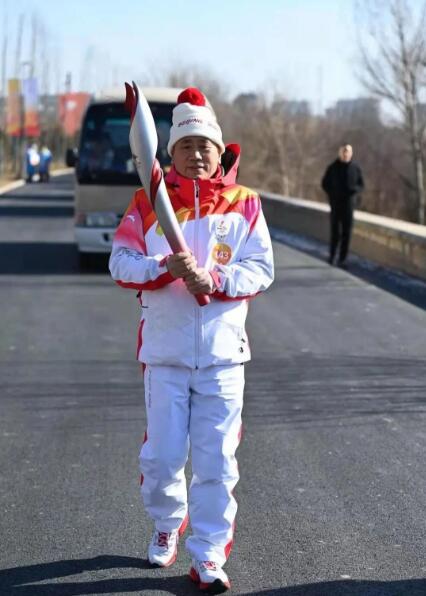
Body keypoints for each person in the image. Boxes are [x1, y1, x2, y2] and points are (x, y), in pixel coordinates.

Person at [109, 87, 274, 593]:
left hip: (224, 357)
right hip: (165, 354)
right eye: (186, 146)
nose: (197, 154)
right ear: (171, 153)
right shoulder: (147, 202)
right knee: (162, 457)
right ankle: (166, 524)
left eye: (206, 145)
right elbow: (120, 262)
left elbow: (261, 268)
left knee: (217, 460)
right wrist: (163, 267)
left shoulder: (244, 204)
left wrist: (216, 280)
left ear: (220, 151)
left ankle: (208, 554)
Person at [321, 144, 364, 267]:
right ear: (340, 153)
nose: (346, 154)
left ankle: (342, 258)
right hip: (335, 204)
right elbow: (324, 183)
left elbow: (361, 184)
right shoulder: (333, 168)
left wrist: (354, 191)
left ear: (351, 153)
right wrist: (332, 194)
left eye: (348, 152)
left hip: (349, 205)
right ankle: (332, 255)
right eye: (344, 151)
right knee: (335, 232)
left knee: (347, 232)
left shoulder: (355, 168)